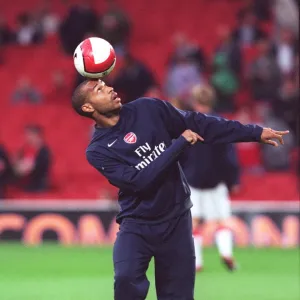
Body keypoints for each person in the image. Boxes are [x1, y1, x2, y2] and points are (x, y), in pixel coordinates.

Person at [71, 78, 288, 300]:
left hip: (176, 219)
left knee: (178, 296)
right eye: (99, 90)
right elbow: (139, 181)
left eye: (105, 84)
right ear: (88, 107)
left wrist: (253, 133)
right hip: (137, 225)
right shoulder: (97, 151)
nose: (109, 89)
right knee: (126, 279)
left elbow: (200, 123)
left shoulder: (148, 108)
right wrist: (178, 144)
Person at [180, 84, 241, 272]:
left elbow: (179, 152)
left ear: (195, 101)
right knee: (222, 220)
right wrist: (233, 180)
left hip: (193, 180)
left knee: (193, 221)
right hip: (217, 181)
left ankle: (196, 262)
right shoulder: (221, 123)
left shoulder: (187, 123)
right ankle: (226, 254)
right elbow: (229, 156)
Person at [14, 125, 51, 192]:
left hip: (37, 186)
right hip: (27, 183)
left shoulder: (44, 151)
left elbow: (35, 167)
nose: (27, 137)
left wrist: (23, 166)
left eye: (29, 135)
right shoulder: (26, 149)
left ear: (36, 135)